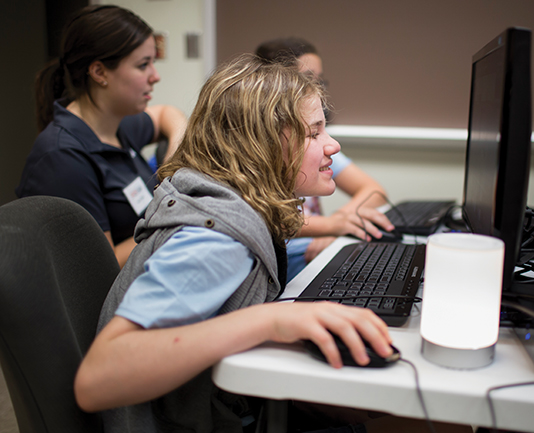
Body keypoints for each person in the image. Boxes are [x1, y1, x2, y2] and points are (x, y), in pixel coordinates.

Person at [73, 54, 470, 433]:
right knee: (447, 426)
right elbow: (97, 380)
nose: (332, 146)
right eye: (315, 132)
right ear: (260, 144)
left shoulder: (234, 207)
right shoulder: (217, 238)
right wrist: (273, 320)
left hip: (228, 409)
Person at [16, 5, 187, 268]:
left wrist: (175, 155)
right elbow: (98, 267)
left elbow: (168, 114)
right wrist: (173, 217)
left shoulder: (117, 125)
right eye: (143, 65)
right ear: (99, 73)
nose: (155, 76)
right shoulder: (63, 157)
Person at [256, 37, 395, 281]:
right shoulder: (258, 151)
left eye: (320, 81)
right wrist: (331, 226)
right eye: (308, 79)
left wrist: (339, 221)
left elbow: (374, 191)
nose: (318, 89)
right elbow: (264, 220)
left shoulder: (319, 146)